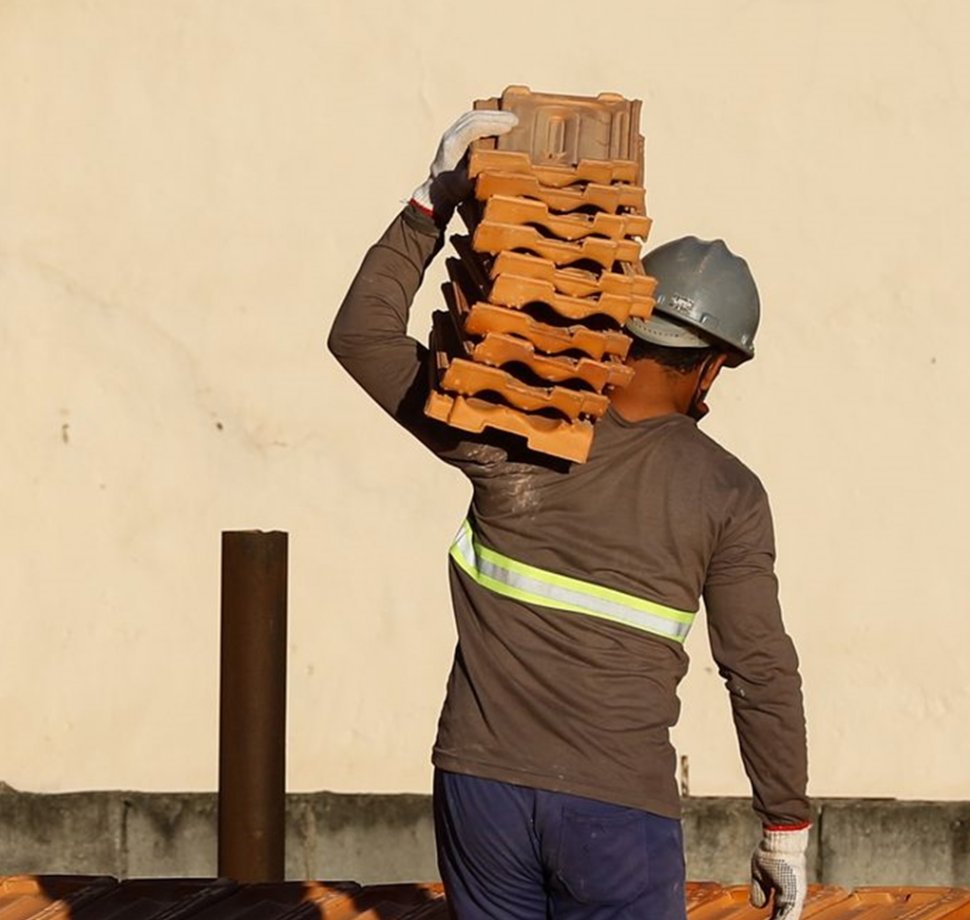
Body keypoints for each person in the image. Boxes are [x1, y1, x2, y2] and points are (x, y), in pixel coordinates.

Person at [328, 111, 810, 920]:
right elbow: (758, 668)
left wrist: (430, 202)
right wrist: (784, 826)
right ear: (714, 366)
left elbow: (361, 336)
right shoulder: (726, 493)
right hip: (617, 812)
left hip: (480, 790)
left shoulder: (507, 424)